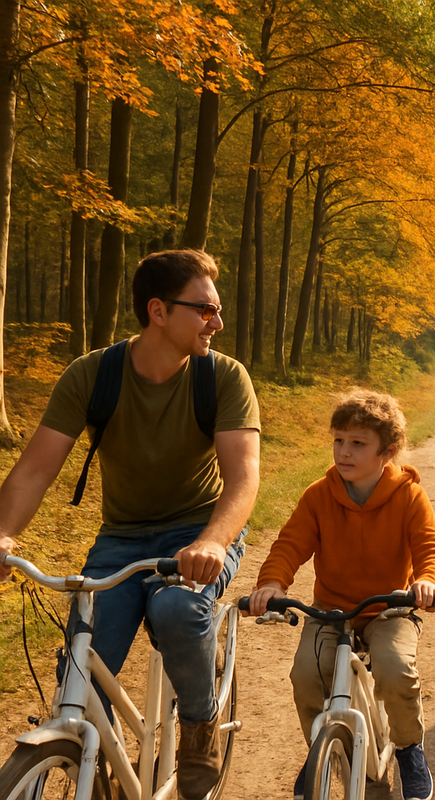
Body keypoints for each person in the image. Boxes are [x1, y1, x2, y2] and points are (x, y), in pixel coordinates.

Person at [0, 249, 261, 800]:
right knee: (84, 661)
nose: (218, 322)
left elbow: (242, 479)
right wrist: (3, 535)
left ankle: (199, 724)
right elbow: (33, 471)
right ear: (159, 311)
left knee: (175, 609)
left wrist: (212, 542)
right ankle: (100, 765)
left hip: (199, 529)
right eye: (206, 310)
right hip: (121, 536)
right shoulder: (94, 375)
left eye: (217, 311)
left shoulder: (223, 377)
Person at [244, 389, 435, 800]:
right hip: (332, 608)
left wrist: (426, 581)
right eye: (339, 440)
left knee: (393, 669)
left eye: (358, 444)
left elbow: (430, 549)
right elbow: (290, 545)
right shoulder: (319, 495)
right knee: (306, 674)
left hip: (391, 607)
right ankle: (321, 743)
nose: (345, 452)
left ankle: (409, 748)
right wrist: (272, 584)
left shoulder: (409, 496)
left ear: (387, 452)